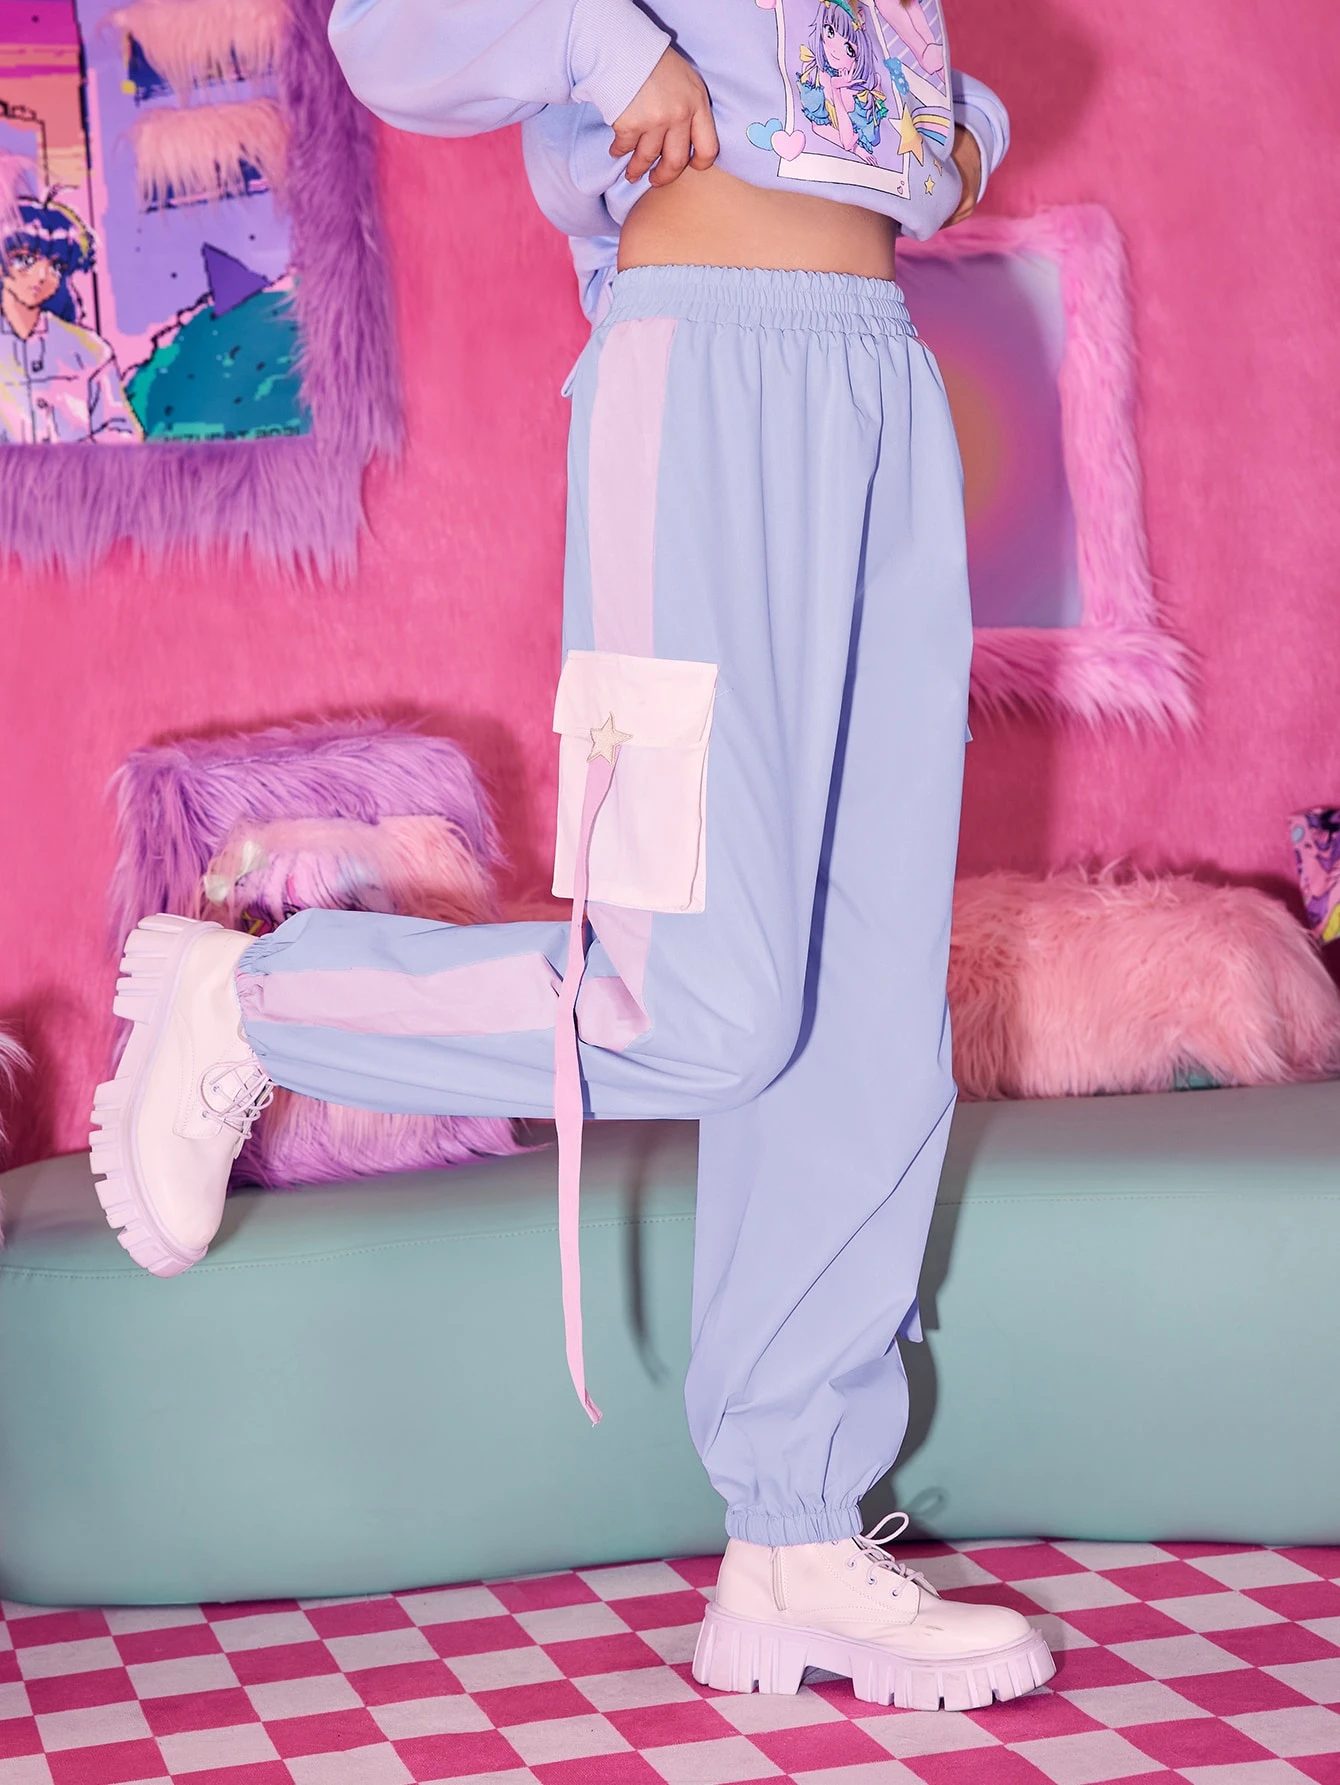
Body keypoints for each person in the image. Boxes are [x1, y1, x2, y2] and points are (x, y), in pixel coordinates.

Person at [89, 0, 1055, 1711]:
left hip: (883, 382)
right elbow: (392, 30)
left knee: (870, 1017)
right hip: (706, 381)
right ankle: (255, 1002)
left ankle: (794, 1540)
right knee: (696, 1003)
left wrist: (952, 126)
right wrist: (612, 58)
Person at [0, 196, 143, 444]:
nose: (41, 276)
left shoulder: (90, 351)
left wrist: (77, 459)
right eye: (24, 260)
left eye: (56, 266)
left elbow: (123, 434)